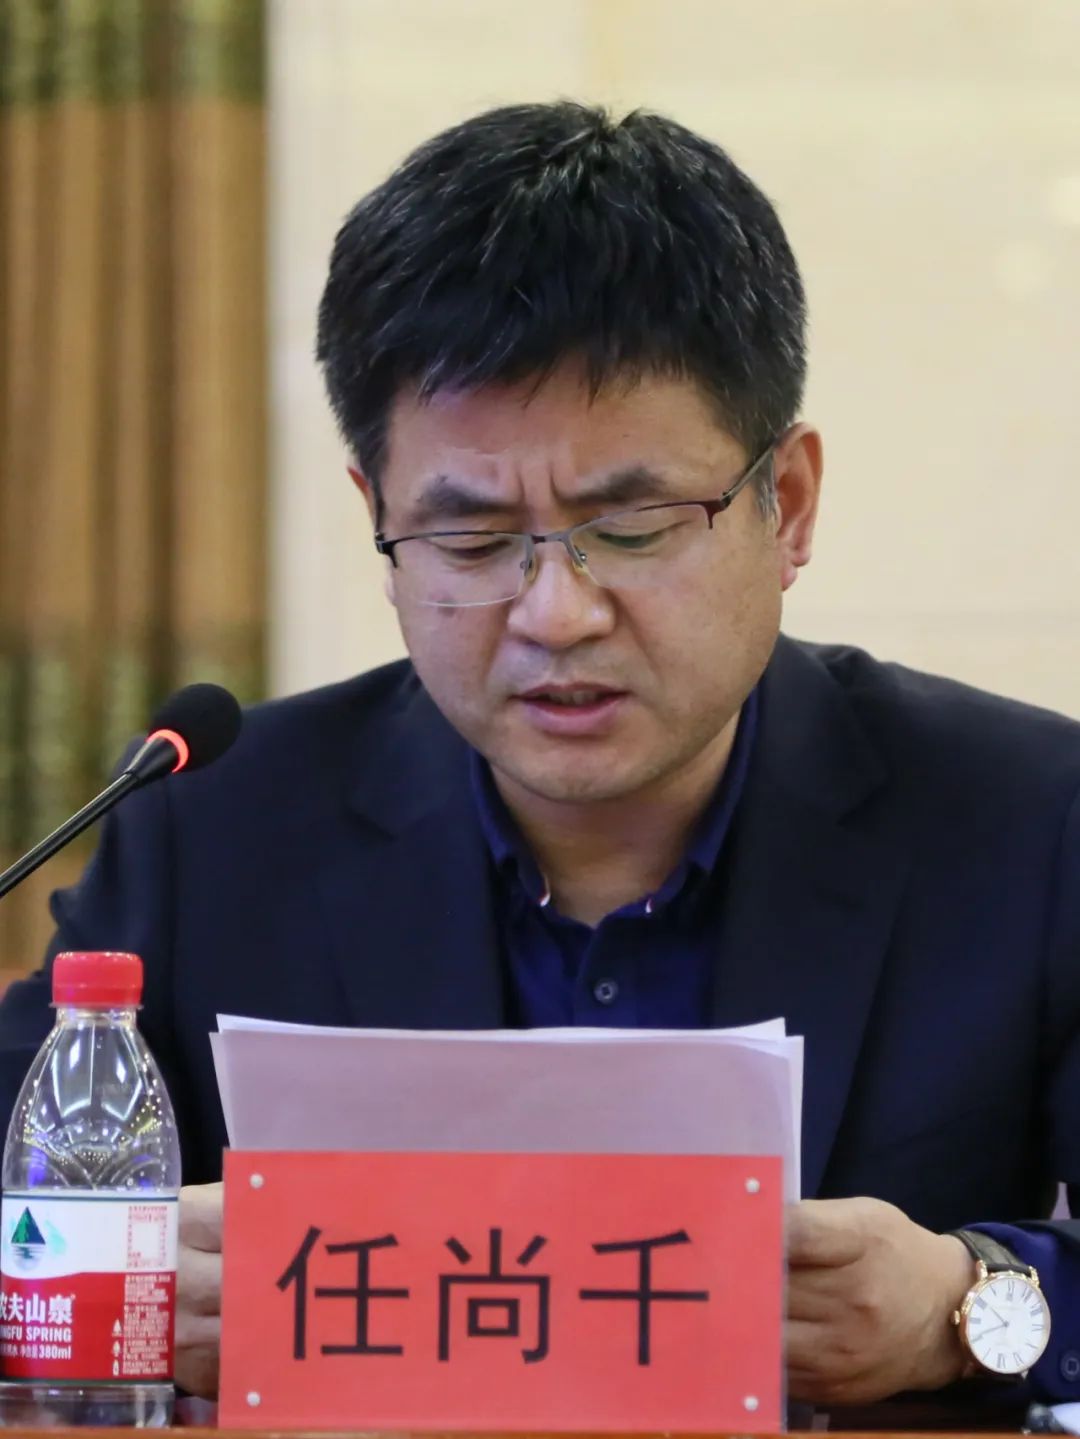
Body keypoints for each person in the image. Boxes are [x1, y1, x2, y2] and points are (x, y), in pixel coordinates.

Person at [1, 101, 1079, 1413]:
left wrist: (972, 1306)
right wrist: (90, 1276)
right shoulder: (213, 826)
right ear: (380, 520)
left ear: (787, 506)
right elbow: (20, 1227)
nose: (555, 613)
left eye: (631, 525)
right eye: (469, 540)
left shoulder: (1029, 822)